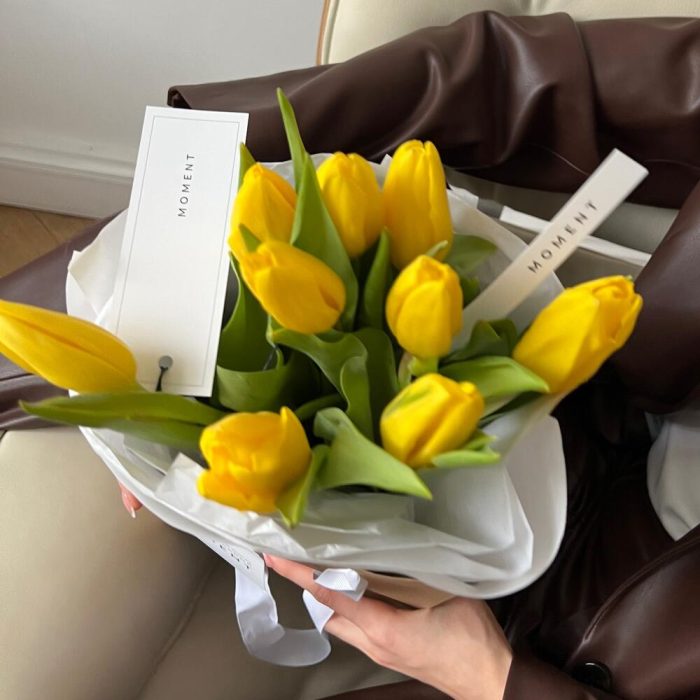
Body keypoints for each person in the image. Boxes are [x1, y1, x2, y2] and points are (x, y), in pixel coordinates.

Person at [2, 11, 700, 699]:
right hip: (599, 385)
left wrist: (492, 681)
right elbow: (518, 77)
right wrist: (198, 181)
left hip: (582, 646)